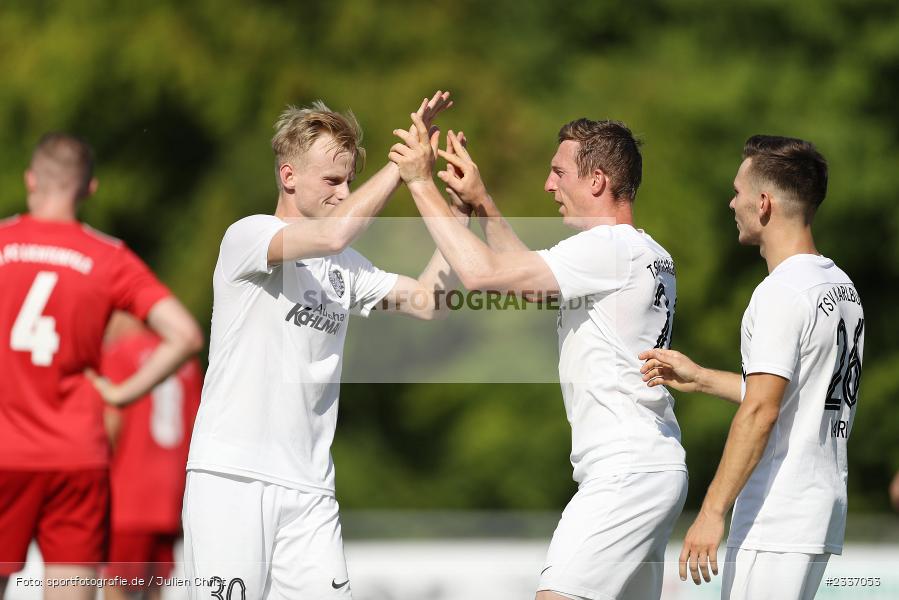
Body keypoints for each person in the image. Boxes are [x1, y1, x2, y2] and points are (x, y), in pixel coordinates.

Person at [389, 116, 687, 600]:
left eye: (559, 173)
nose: (549, 185)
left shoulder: (608, 247)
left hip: (626, 470)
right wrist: (483, 204)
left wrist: (420, 182)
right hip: (649, 464)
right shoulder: (644, 250)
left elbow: (483, 274)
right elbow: (533, 288)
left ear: (597, 181)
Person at [182, 91, 459, 599]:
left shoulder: (343, 267)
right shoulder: (249, 237)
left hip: (310, 489)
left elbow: (428, 301)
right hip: (232, 479)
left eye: (349, 179)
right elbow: (334, 234)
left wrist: (456, 215)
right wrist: (403, 170)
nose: (343, 191)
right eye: (332, 180)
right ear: (289, 176)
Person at [639, 135, 863, 600]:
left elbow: (763, 411)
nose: (732, 201)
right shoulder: (839, 285)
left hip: (776, 514)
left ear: (764, 203)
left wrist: (712, 511)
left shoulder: (781, 291)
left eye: (738, 191)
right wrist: (701, 378)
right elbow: (793, 394)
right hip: (817, 508)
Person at [0, 133, 203, 600]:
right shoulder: (108, 256)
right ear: (89, 188)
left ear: (30, 180)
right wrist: (122, 392)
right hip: (76, 458)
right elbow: (185, 335)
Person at [99, 312, 202, 600]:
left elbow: (111, 424)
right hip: (171, 495)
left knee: (117, 585)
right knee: (153, 588)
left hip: (128, 494)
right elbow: (196, 425)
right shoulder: (184, 360)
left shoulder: (120, 352)